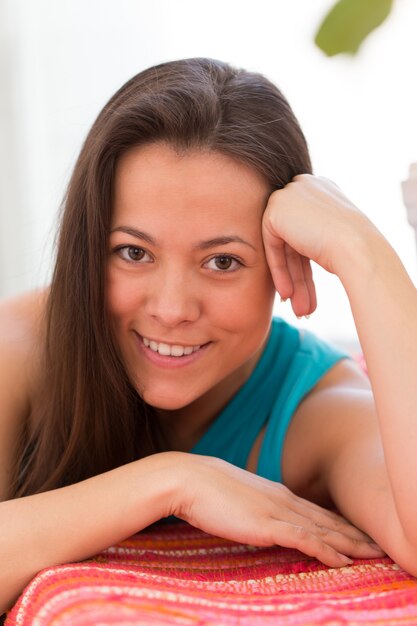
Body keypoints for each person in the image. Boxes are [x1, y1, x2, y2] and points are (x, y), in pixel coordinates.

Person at [1, 57, 417, 614]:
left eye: (222, 261)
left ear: (284, 262)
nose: (172, 309)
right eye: (133, 252)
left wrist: (364, 253)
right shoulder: (23, 345)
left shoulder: (317, 410)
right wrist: (172, 480)